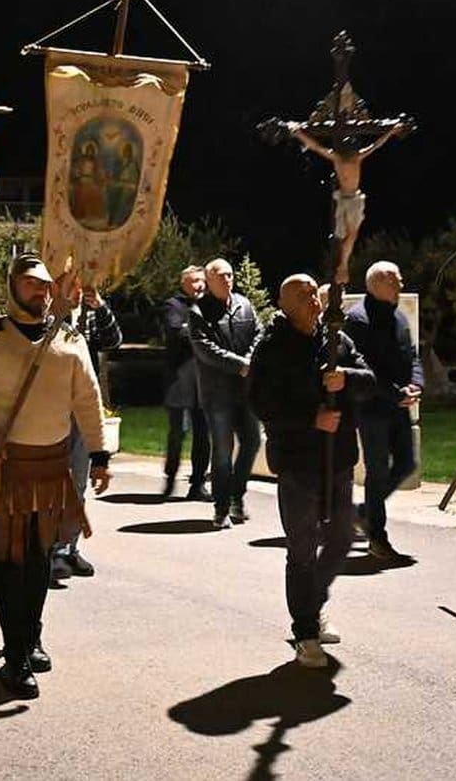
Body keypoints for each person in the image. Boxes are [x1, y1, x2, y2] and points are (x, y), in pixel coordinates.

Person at [0, 253, 111, 699]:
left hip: (51, 468)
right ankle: (13, 654)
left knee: (39, 561)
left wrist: (99, 455)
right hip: (6, 471)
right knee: (11, 562)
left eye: (44, 286)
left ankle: (32, 635)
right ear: (12, 288)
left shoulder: (70, 341)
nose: (40, 292)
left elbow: (88, 399)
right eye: (30, 285)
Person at [250, 273, 375, 667]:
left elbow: (370, 382)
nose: (313, 301)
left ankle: (313, 603)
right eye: (302, 297)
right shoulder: (271, 348)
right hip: (297, 461)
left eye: (313, 294)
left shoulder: (336, 340)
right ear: (284, 306)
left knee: (339, 538)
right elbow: (262, 404)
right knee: (302, 547)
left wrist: (346, 378)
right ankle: (305, 629)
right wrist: (310, 418)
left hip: (336, 459)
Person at [343, 261, 422, 560]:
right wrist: (394, 393)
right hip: (372, 406)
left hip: (399, 404)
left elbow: (412, 355)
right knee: (376, 472)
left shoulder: (399, 317)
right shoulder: (358, 321)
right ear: (378, 284)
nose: (401, 285)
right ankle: (377, 536)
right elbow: (361, 370)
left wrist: (416, 384)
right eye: (396, 281)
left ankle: (364, 512)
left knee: (406, 464)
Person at [51, 281, 122, 580]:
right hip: (55, 406)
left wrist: (101, 307)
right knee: (56, 481)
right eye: (73, 285)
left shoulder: (91, 314)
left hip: (83, 405)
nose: (79, 291)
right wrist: (63, 310)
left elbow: (113, 340)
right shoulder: (51, 314)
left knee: (78, 479)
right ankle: (50, 549)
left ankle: (69, 546)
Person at [189, 257, 262, 528]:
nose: (228, 280)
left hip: (246, 391)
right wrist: (239, 365)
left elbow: (258, 333)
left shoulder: (244, 305)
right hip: (217, 394)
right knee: (222, 451)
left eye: (230, 275)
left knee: (253, 442)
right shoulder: (198, 312)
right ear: (209, 280)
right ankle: (221, 507)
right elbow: (205, 349)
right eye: (221, 276)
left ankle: (236, 496)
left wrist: (251, 360)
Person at [160, 265, 211, 500]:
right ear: (184, 284)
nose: (199, 285)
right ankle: (170, 478)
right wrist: (201, 331)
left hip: (204, 380)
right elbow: (175, 331)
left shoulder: (210, 306)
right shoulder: (174, 305)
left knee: (203, 433)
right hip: (180, 380)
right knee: (178, 431)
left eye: (201, 281)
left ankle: (198, 484)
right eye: (194, 281)